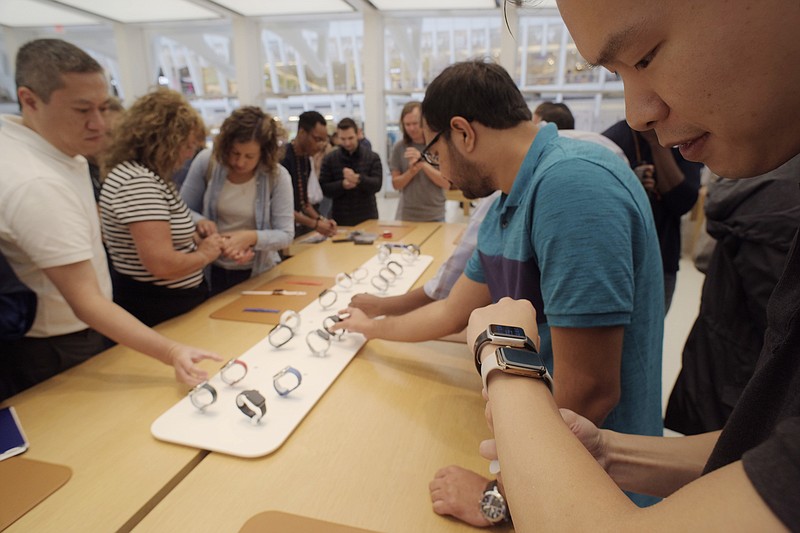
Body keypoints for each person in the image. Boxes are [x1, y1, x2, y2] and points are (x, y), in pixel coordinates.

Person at [471, 0, 800, 530]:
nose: (636, 113)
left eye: (644, 57)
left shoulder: (572, 184)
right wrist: (607, 454)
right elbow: (771, 452)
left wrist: (502, 358)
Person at [336, 60, 664, 518]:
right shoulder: (508, 202)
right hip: (543, 453)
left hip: (593, 494)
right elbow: (452, 310)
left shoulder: (572, 186)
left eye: (435, 152)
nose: (440, 170)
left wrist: (497, 498)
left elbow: (589, 392)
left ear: (463, 133)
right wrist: (371, 328)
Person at [0, 39, 220, 401]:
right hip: (56, 344)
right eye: (82, 109)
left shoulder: (56, 152)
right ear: (29, 100)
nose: (99, 123)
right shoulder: (37, 182)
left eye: (103, 107)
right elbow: (85, 299)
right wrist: (171, 351)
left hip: (70, 332)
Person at [665, 155, 800, 434]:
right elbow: (779, 335)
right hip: (744, 390)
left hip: (720, 371)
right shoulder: (781, 203)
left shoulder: (754, 182)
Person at [100, 88, 224, 327]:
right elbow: (161, 263)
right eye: (187, 145)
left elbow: (165, 236)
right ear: (164, 140)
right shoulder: (137, 181)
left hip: (168, 303)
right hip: (157, 307)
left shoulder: (149, 177)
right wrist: (206, 254)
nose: (189, 154)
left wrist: (198, 239)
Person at [179, 106, 295, 296]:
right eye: (234, 153)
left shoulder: (277, 176)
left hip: (259, 273)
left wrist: (251, 238)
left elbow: (285, 235)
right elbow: (181, 210)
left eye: (250, 156)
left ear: (264, 153)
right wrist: (200, 222)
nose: (240, 162)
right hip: (211, 271)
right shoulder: (207, 162)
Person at [603, 119, 702, 312]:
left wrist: (657, 144)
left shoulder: (682, 140)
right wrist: (630, 180)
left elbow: (683, 202)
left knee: (650, 335)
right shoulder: (612, 140)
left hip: (661, 256)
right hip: (615, 260)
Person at [280, 111, 337, 238]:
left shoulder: (306, 160)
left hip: (297, 228)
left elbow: (304, 203)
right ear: (301, 133)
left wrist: (322, 220)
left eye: (324, 140)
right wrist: (315, 224)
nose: (321, 145)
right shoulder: (283, 159)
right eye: (317, 139)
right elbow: (283, 209)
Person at [390, 101, 450, 222]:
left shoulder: (438, 146)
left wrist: (423, 163)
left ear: (424, 122)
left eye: (415, 123)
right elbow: (396, 184)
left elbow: (446, 183)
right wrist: (411, 171)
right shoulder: (399, 148)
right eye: (407, 124)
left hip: (435, 214)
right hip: (408, 214)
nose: (411, 128)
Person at [319, 118, 383, 227]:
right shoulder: (330, 159)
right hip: (340, 218)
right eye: (343, 139)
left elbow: (377, 185)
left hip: (367, 216)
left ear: (357, 134)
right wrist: (342, 185)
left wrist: (358, 179)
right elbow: (324, 188)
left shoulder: (372, 157)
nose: (347, 143)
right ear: (337, 137)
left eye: (350, 138)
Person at [86, 95, 124, 202]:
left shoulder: (132, 169)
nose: (115, 141)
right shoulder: (79, 172)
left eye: (120, 133)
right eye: (108, 134)